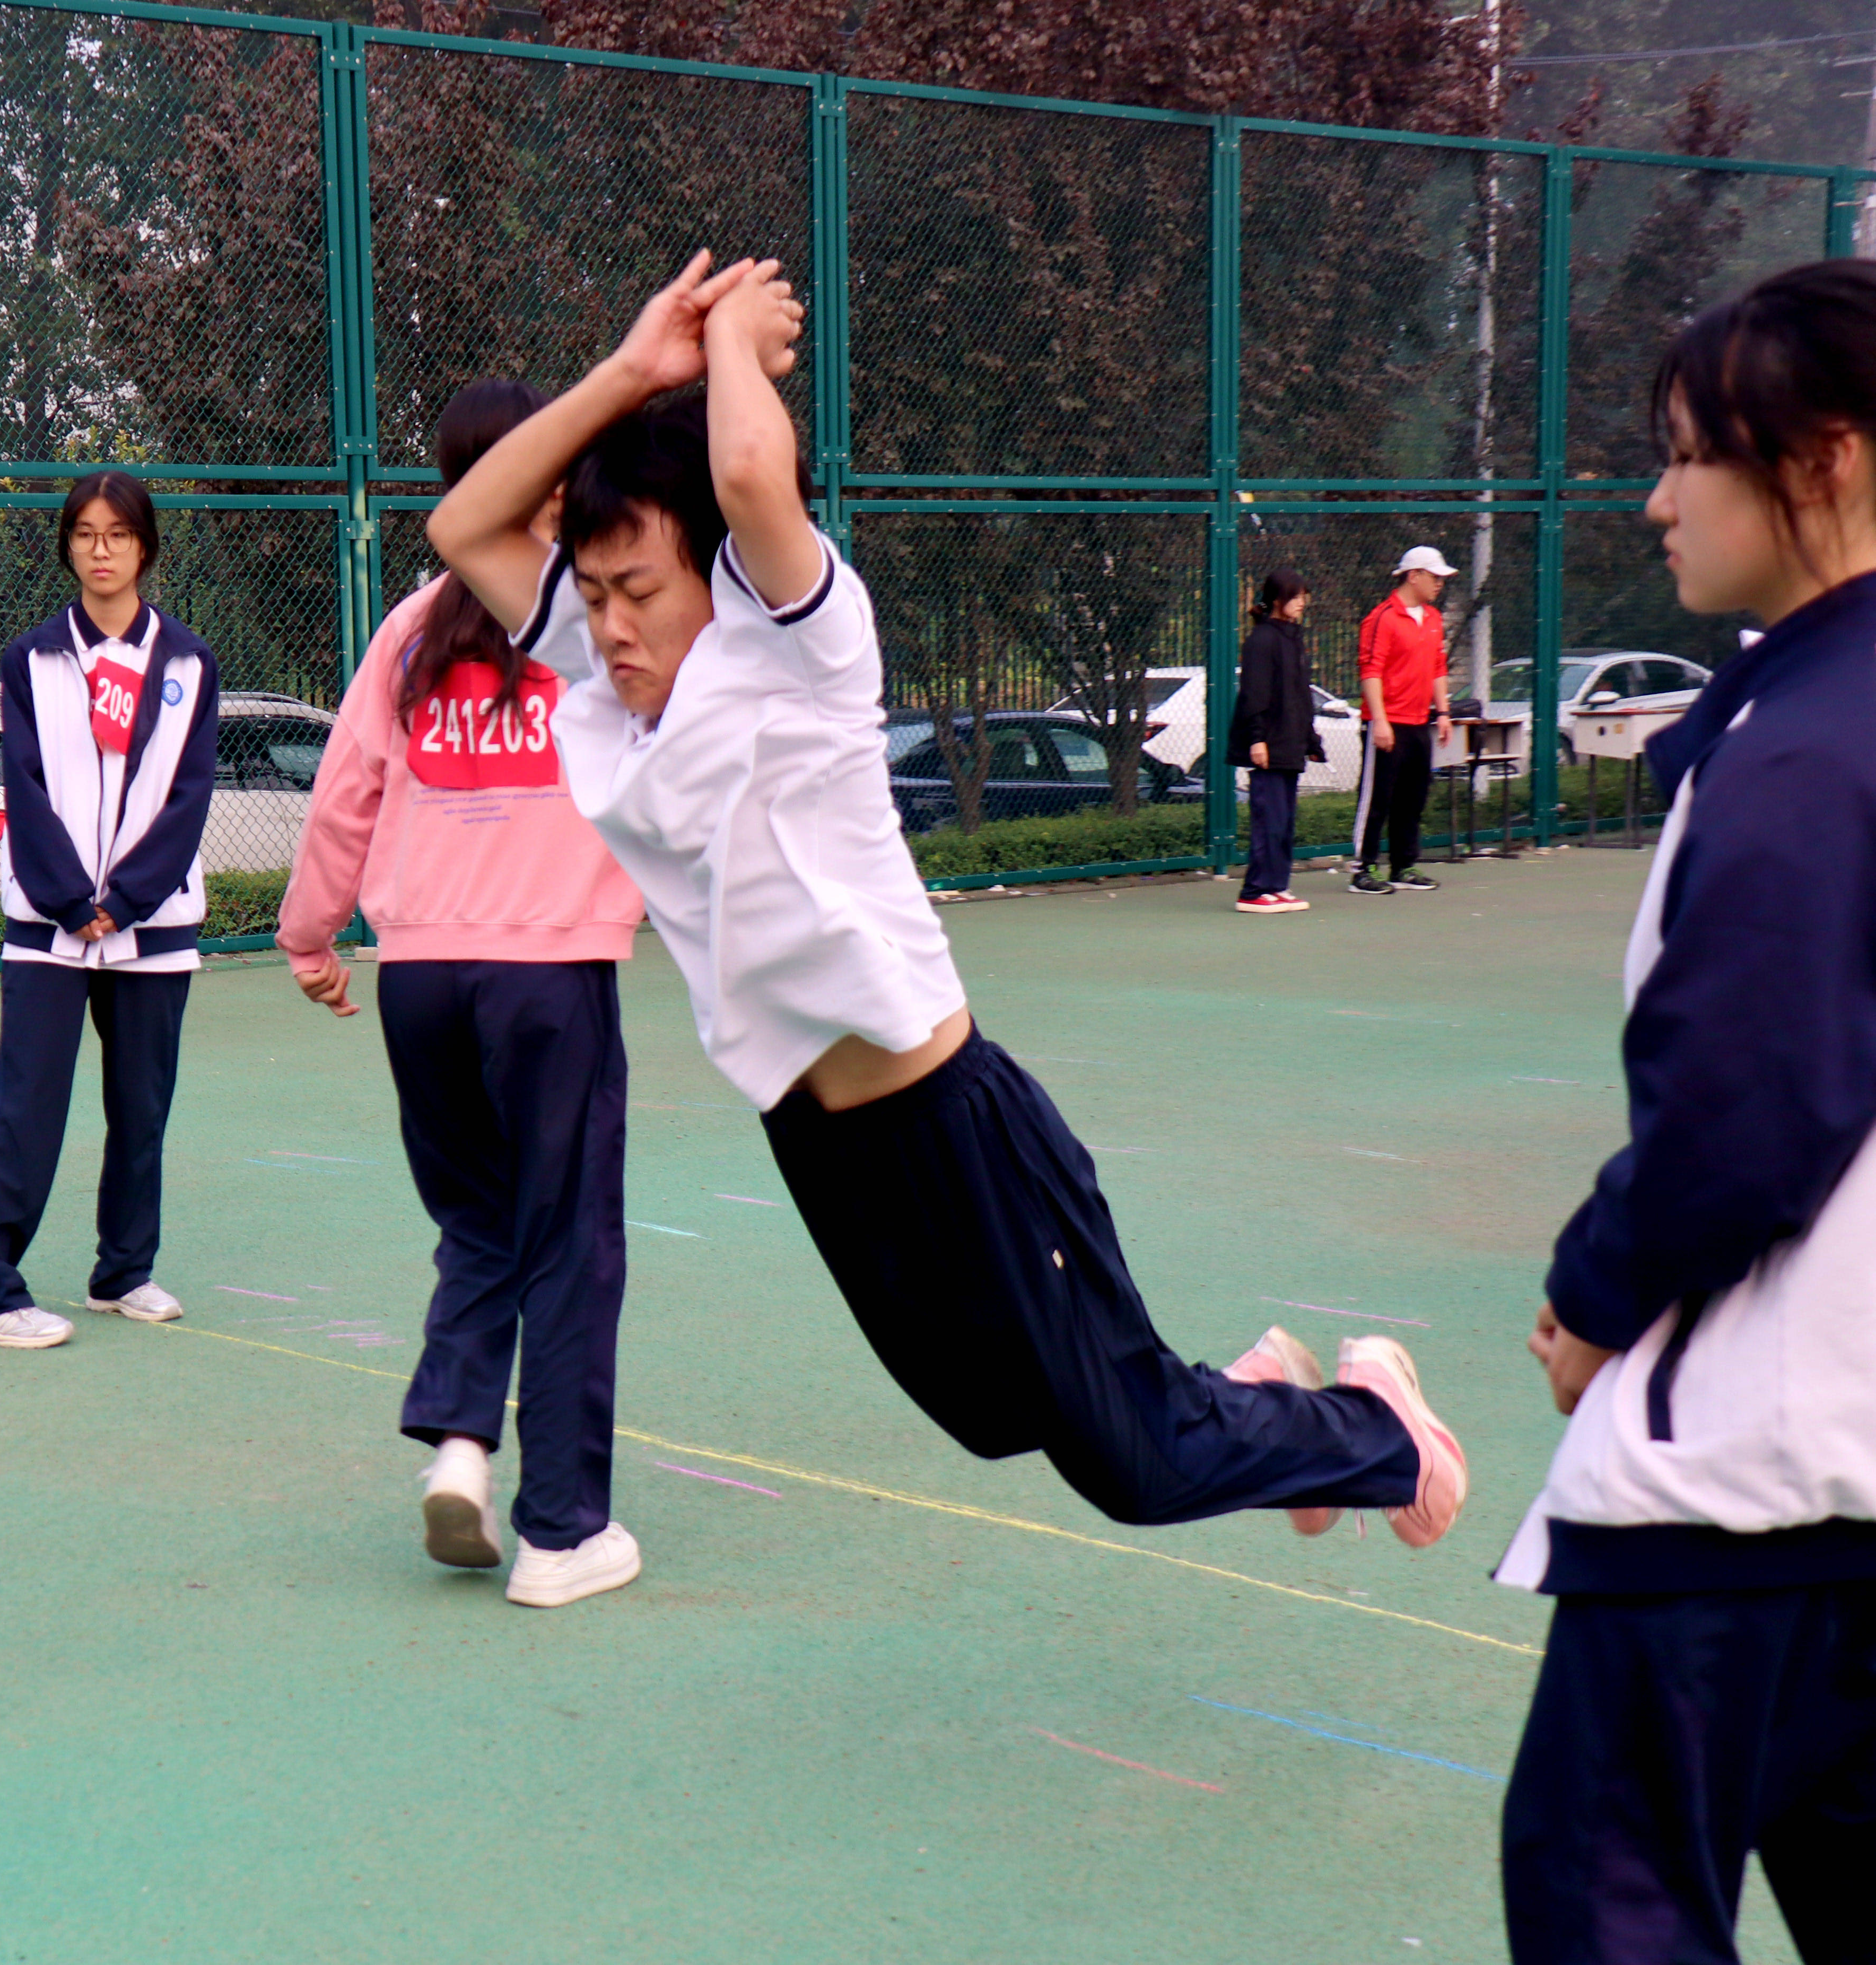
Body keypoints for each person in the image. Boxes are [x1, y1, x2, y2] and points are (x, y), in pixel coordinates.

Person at [426, 254, 1464, 1564]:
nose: (611, 625)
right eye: (592, 597)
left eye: (638, 591)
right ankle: (1260, 1399)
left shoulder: (802, 645)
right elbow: (465, 528)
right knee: (990, 1413)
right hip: (823, 1142)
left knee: (1133, 1463)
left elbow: (748, 476)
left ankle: (1371, 1425)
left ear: (720, 576)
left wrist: (731, 346)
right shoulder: (607, 677)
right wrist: (629, 371)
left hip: (950, 1119)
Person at [1498, 261, 1876, 1964]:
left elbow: (1744, 1112)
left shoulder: (1803, 753)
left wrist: (1590, 1295)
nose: (1651, 497)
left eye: (1683, 455)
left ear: (1826, 460)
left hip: (1745, 1491)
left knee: (1601, 1898)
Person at [278, 381, 649, 1608]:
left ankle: (459, 1449)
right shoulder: (595, 624)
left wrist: (310, 935)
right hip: (546, 970)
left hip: (420, 977)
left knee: (479, 1225)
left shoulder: (409, 628)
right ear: (547, 479)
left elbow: (344, 796)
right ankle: (561, 1531)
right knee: (568, 1242)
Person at [0, 471, 219, 1350]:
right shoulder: (29, 659)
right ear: (66, 545)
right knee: (25, 1111)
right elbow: (24, 788)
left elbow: (188, 795)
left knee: (141, 1110)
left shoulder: (187, 662)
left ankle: (123, 1273)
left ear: (145, 547)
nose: (100, 551)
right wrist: (72, 902)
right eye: (84, 534)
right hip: (48, 928)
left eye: (117, 535)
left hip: (154, 930)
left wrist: (129, 901)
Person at [1348, 545, 1456, 896]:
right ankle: (1362, 870)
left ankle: (1402, 866)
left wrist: (1442, 713)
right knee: (1378, 797)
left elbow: (1438, 667)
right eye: (1434, 576)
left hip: (1417, 722)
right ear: (1414, 576)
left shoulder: (1434, 619)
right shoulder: (1381, 618)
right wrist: (1379, 721)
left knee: (1413, 797)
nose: (1440, 583)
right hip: (1386, 723)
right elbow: (1371, 670)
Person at [1229, 568, 1322, 915]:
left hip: (1290, 745)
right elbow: (1254, 694)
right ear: (1277, 601)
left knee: (1283, 820)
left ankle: (1276, 886)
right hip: (1268, 745)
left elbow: (1300, 695)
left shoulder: (1292, 638)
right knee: (1268, 817)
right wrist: (1257, 740)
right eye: (1295, 597)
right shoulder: (1261, 640)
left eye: (1302, 597)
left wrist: (1311, 740)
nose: (1301, 603)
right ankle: (1253, 890)